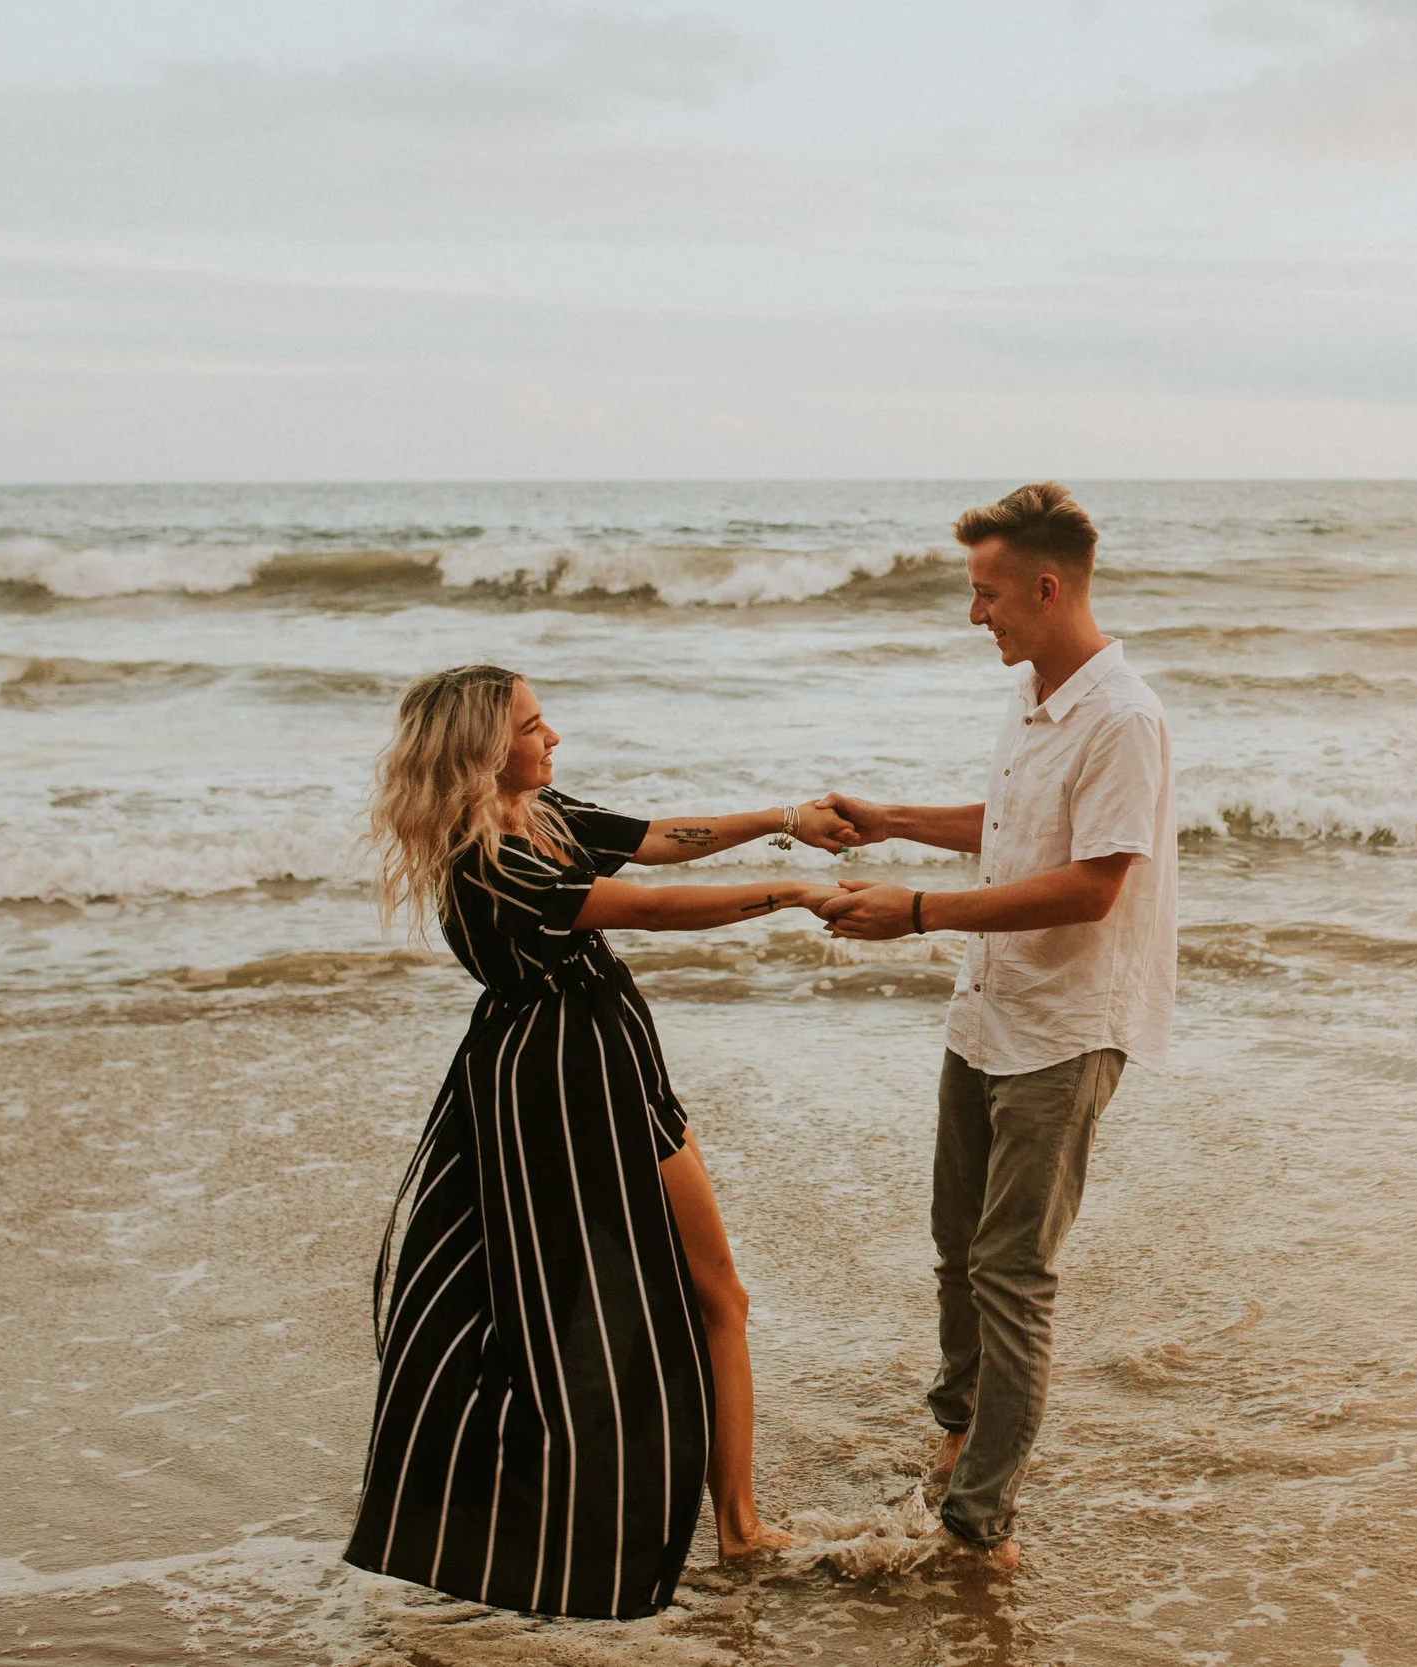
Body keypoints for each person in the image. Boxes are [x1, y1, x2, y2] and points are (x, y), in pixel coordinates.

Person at [345, 664, 854, 1619]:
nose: (554, 738)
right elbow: (649, 908)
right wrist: (789, 892)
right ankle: (632, 1523)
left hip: (612, 1058)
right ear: (484, 749)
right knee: (587, 1308)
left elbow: (658, 842)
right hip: (559, 1083)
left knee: (713, 1292)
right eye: (535, 727)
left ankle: (738, 1522)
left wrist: (787, 815)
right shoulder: (491, 860)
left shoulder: (540, 815)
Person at [818, 482, 1177, 1571]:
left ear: (1045, 585)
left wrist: (916, 912)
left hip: (1064, 1027)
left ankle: (980, 1529)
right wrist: (891, 821)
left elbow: (1090, 885)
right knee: (953, 1249)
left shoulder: (1122, 715)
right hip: (987, 1010)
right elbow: (1009, 824)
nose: (977, 615)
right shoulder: (1032, 699)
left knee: (1012, 1270)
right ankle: (961, 1425)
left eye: (986, 594)